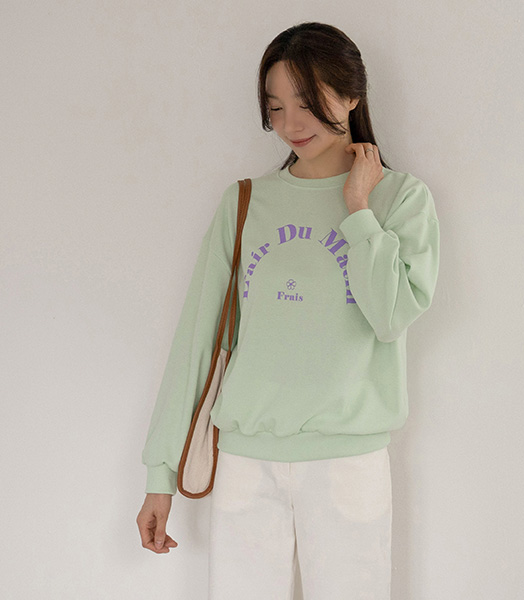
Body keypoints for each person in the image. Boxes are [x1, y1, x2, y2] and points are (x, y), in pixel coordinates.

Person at [136, 21, 440, 599]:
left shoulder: (401, 199)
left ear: (352, 95)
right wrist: (160, 475)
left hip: (348, 465)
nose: (291, 124)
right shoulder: (245, 202)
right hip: (246, 463)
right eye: (275, 108)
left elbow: (390, 316)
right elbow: (197, 339)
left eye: (307, 102)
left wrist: (358, 208)